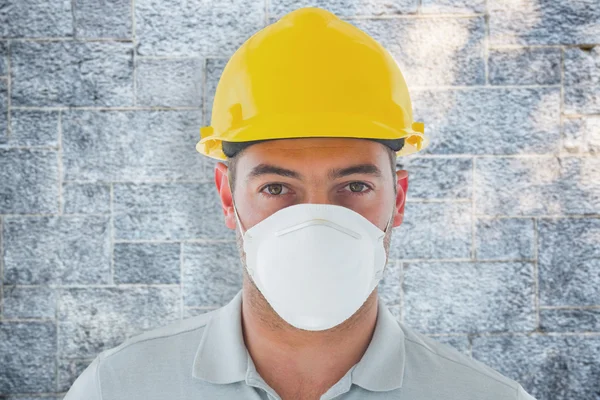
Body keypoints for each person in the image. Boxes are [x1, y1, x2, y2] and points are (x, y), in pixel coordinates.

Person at [64, 7, 537, 400]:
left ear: (399, 198)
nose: (315, 221)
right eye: (276, 188)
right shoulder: (119, 387)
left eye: (353, 187)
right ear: (228, 197)